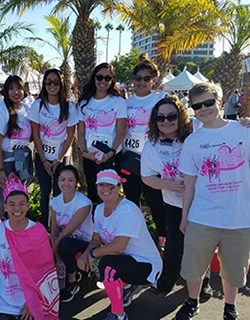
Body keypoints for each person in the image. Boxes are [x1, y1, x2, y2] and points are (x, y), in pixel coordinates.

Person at [174, 82, 250, 320]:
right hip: (202, 216)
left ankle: (230, 307)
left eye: (208, 102)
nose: (203, 109)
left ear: (219, 101)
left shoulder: (244, 130)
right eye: (197, 106)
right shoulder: (192, 142)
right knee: (193, 267)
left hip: (239, 216)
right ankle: (192, 302)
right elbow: (189, 184)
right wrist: (185, 216)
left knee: (233, 269)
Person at [140, 96, 213, 296]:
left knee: (200, 242)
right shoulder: (152, 144)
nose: (166, 121)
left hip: (202, 200)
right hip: (173, 202)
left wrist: (245, 123)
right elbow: (146, 176)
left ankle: (203, 281)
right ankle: (167, 280)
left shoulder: (198, 128)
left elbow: (222, 126)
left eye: (172, 116)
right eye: (160, 118)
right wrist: (165, 183)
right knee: (174, 243)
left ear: (181, 116)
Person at [77, 169, 162, 320]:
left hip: (146, 264)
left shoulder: (127, 209)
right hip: (124, 259)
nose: (106, 189)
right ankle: (124, 284)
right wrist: (85, 255)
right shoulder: (99, 209)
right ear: (96, 188)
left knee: (108, 265)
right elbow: (96, 240)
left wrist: (92, 254)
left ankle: (119, 315)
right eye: (101, 185)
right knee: (78, 250)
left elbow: (118, 247)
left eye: (111, 185)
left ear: (118, 187)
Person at [0, 175, 59, 320]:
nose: (17, 208)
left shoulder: (38, 232)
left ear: (28, 206)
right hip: (3, 300)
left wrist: (33, 301)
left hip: (31, 298)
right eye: (12, 204)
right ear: (5, 207)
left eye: (22, 204)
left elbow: (44, 270)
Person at [121, 53, 168, 246]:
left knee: (155, 202)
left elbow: (182, 121)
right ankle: (136, 239)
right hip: (129, 160)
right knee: (131, 202)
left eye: (147, 79)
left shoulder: (162, 98)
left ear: (154, 80)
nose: (142, 82)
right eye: (138, 78)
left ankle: (163, 239)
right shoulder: (125, 102)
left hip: (153, 161)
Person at [29, 69, 78, 228]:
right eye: (48, 82)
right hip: (42, 154)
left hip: (61, 155)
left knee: (59, 193)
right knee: (45, 192)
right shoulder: (38, 105)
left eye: (56, 82)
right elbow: (35, 134)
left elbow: (70, 135)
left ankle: (58, 227)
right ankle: (44, 227)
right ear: (44, 84)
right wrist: (43, 160)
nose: (52, 85)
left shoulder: (69, 107)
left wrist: (58, 159)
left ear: (61, 84)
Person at [77, 63, 127, 205]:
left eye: (107, 78)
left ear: (112, 81)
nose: (103, 81)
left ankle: (111, 224)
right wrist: (84, 152)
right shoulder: (84, 103)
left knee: (110, 193)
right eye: (99, 77)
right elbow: (80, 132)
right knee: (93, 193)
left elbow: (121, 131)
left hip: (111, 157)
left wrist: (110, 153)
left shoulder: (118, 102)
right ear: (94, 78)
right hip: (90, 156)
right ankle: (96, 224)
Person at [0, 75, 33, 216]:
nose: (16, 92)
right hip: (4, 163)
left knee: (20, 199)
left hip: (21, 162)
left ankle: (18, 228)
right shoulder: (0, 111)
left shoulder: (27, 109)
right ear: (6, 91)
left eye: (19, 88)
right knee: (4, 199)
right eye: (11, 89)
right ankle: (0, 230)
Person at [50, 165, 92, 303]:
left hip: (85, 243)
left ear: (76, 182)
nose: (66, 184)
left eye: (70, 180)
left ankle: (72, 281)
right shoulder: (55, 202)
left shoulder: (84, 203)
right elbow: (54, 231)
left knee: (65, 244)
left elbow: (66, 233)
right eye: (62, 179)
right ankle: (62, 270)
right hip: (63, 243)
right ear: (57, 182)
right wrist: (57, 259)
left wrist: (53, 251)